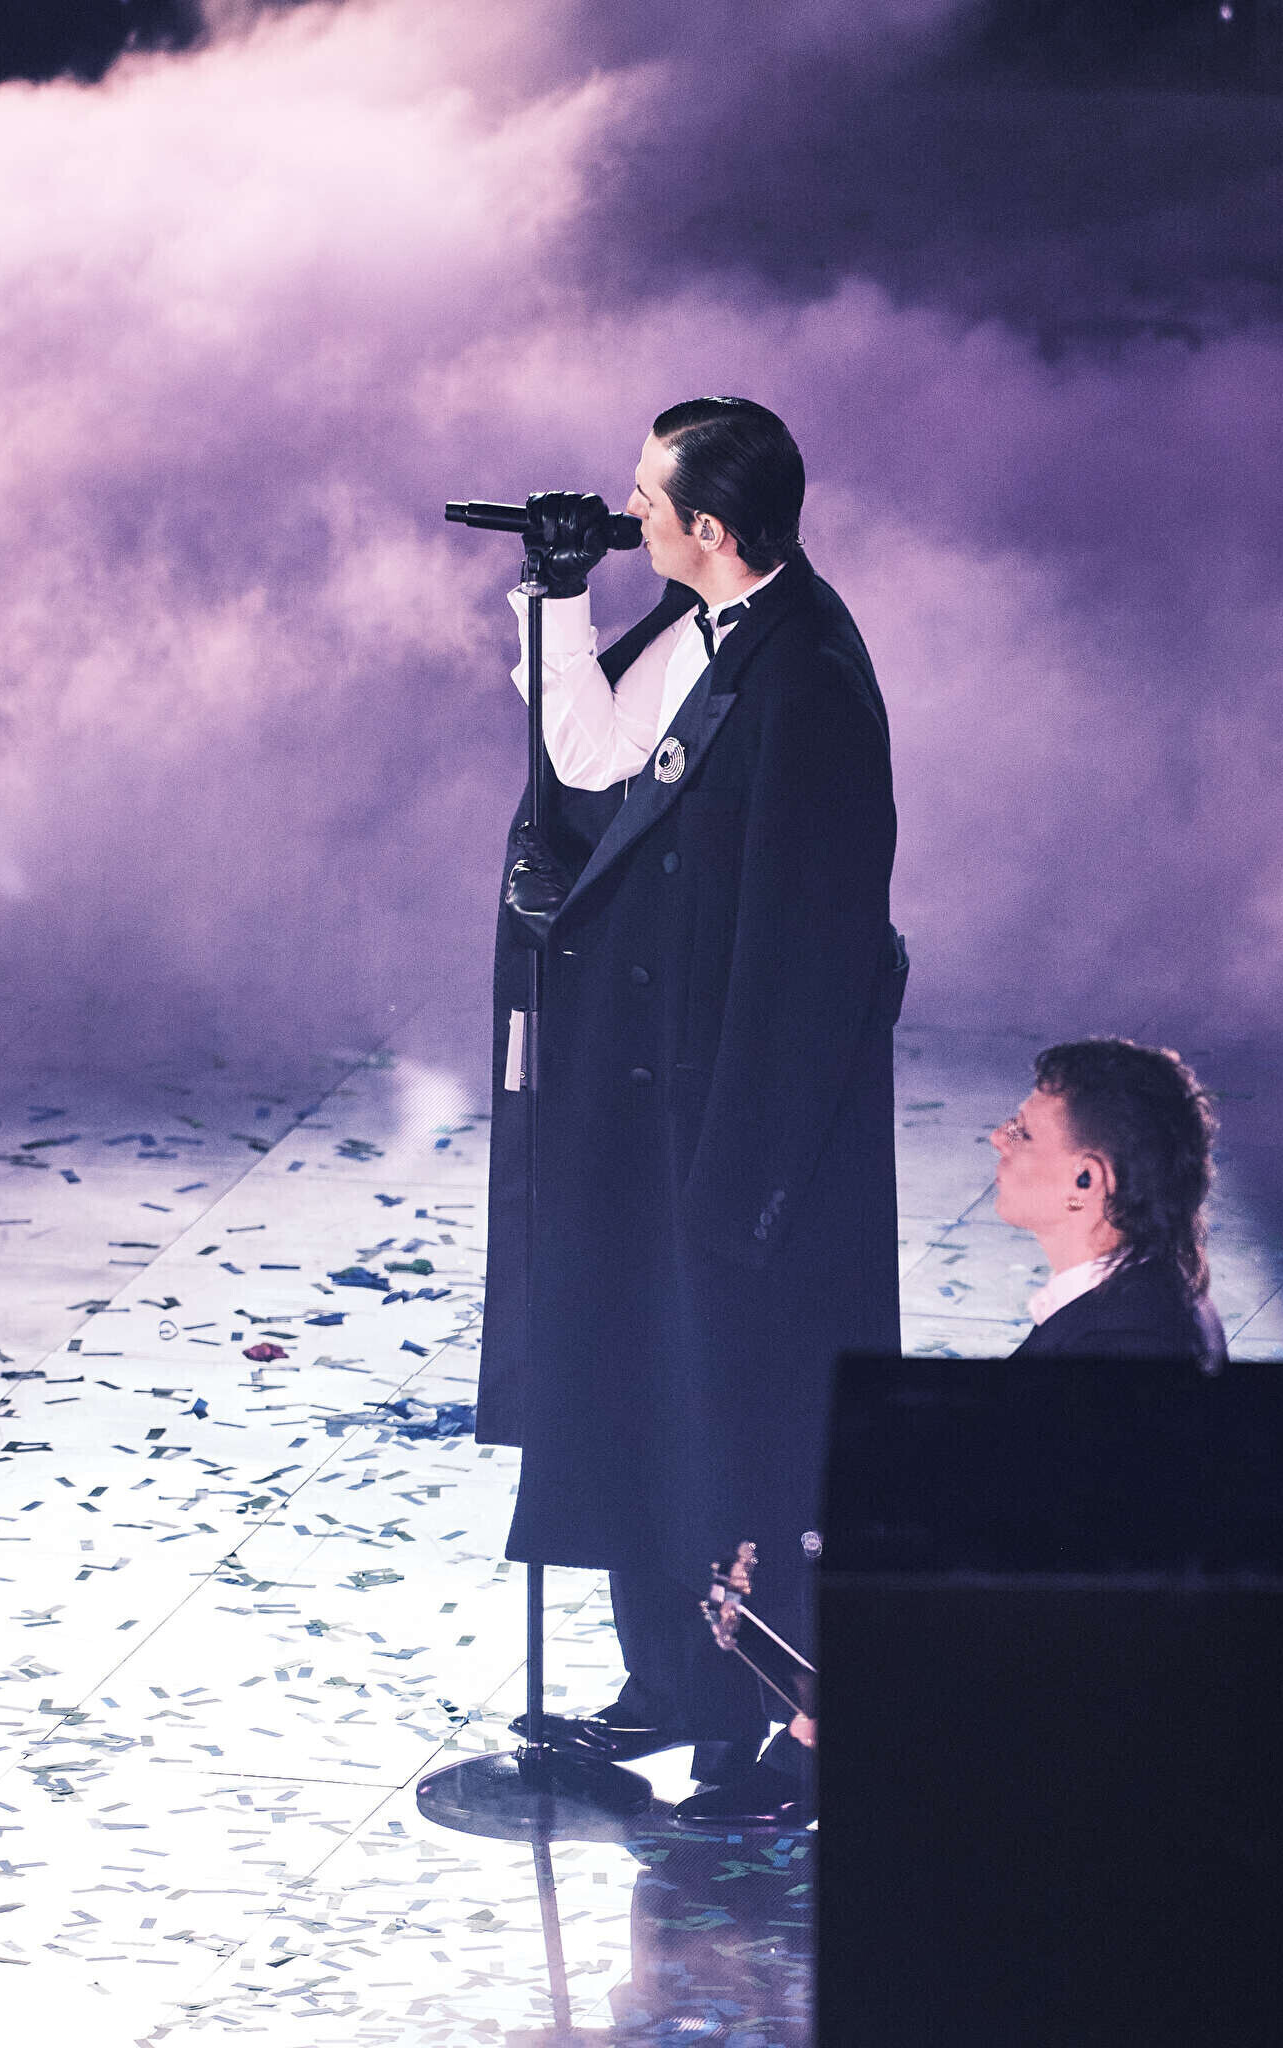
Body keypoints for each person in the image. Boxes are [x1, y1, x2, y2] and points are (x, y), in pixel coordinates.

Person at [474, 396, 906, 1827]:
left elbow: (819, 949)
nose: (631, 511)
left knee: (734, 1416)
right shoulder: (696, 625)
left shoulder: (810, 679)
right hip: (644, 1096)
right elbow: (594, 761)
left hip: (735, 1125)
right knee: (634, 1385)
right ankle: (664, 1681)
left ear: (709, 527)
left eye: (647, 498)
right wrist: (554, 597)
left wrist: (752, 1171)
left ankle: (758, 1716)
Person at [991, 1038, 1222, 1362]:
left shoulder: (1121, 1345)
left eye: (1023, 1133)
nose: (999, 1138)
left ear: (1085, 1181)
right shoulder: (1153, 1293)